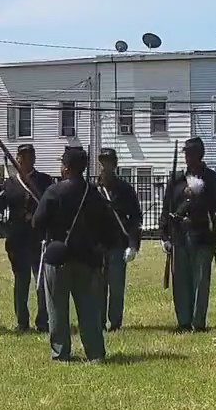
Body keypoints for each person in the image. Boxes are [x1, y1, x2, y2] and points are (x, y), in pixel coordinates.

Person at [32, 147, 120, 362]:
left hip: (58, 257)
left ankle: (60, 352)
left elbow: (37, 222)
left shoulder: (53, 191)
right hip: (87, 257)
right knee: (89, 309)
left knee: (57, 310)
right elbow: (109, 227)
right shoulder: (94, 193)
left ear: (67, 168)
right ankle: (95, 352)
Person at [0, 143, 54, 332]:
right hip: (18, 240)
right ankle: (22, 322)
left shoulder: (45, 181)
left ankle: (43, 321)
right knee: (21, 282)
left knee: (42, 282)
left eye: (29, 156)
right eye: (22, 157)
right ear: (17, 159)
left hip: (39, 239)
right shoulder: (10, 183)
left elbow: (52, 205)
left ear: (34, 159)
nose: (25, 160)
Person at [159, 137, 216, 333]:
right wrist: (164, 234)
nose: (188, 158)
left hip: (203, 233)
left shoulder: (213, 179)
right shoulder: (177, 180)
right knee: (181, 280)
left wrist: (201, 194)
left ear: (200, 155)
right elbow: (167, 207)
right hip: (180, 234)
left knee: (200, 280)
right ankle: (183, 321)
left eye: (191, 154)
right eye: (186, 154)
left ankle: (198, 323)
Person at [96, 148, 141, 331]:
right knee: (97, 287)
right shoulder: (93, 189)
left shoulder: (125, 189)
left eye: (107, 162)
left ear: (114, 164)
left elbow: (135, 218)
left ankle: (115, 322)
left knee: (116, 287)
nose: (104, 166)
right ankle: (98, 321)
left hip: (117, 242)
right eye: (102, 162)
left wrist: (133, 244)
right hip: (97, 244)